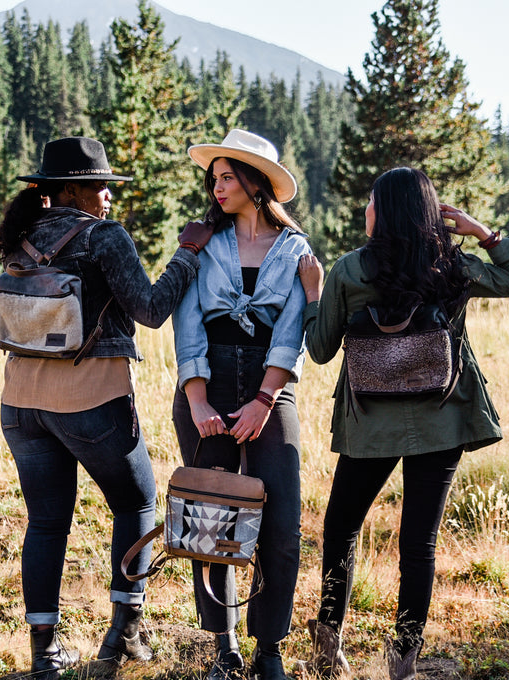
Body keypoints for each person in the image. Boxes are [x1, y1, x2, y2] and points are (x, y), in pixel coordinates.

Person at [297, 167, 509, 680]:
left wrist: (314, 295)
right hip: (443, 422)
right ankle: (403, 662)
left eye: (371, 201)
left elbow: (318, 351)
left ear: (385, 212)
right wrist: (483, 233)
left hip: (369, 426)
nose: (366, 209)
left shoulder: (348, 270)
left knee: (340, 528)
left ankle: (327, 647)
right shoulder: (451, 267)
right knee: (418, 543)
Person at [0, 136, 213, 679]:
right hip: (90, 396)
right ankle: (124, 634)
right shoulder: (103, 237)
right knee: (137, 501)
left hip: (21, 403)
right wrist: (187, 254)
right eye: (99, 186)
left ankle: (45, 655)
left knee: (46, 523)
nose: (108, 196)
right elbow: (151, 309)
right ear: (69, 190)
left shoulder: (19, 237)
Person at [171, 129, 312, 680]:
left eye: (228, 176)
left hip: (269, 390)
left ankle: (268, 647)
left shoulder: (297, 249)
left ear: (256, 183)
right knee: (210, 516)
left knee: (280, 521)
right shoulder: (202, 240)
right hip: (205, 385)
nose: (218, 186)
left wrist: (263, 399)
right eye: (215, 178)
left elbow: (293, 328)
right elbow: (187, 323)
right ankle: (222, 646)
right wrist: (198, 397)